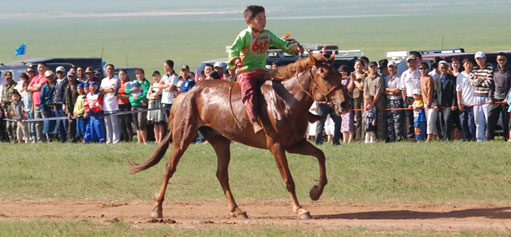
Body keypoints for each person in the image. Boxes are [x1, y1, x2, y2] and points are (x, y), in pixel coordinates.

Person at [228, 5, 302, 134]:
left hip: (263, 70)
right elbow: (234, 49)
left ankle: (304, 113)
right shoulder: (244, 35)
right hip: (247, 72)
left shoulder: (267, 34)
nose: (263, 22)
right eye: (259, 19)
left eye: (265, 18)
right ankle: (254, 121)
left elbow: (281, 43)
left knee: (285, 84)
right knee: (249, 93)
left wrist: (293, 48)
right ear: (249, 21)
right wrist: (236, 60)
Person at [470, 51, 494, 142]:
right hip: (476, 96)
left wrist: (478, 80)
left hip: (486, 96)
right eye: (477, 59)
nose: (479, 61)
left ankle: (488, 137)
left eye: (481, 58)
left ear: (485, 58)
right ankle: (480, 138)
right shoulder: (474, 69)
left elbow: (489, 83)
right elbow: (472, 83)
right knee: (478, 120)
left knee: (488, 119)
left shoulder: (490, 68)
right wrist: (482, 79)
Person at [488, 52, 510, 141]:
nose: (501, 61)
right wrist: (490, 97)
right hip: (495, 99)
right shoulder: (494, 71)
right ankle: (489, 139)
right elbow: (491, 85)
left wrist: (507, 97)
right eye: (499, 60)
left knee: (506, 121)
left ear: (506, 60)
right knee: (491, 119)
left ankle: (506, 138)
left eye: (503, 59)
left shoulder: (509, 71)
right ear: (497, 61)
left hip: (506, 100)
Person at [434, 61, 458, 141]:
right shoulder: (437, 79)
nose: (443, 69)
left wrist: (454, 104)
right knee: (441, 122)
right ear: (438, 69)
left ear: (448, 68)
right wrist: (436, 104)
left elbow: (454, 92)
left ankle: (448, 137)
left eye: (445, 68)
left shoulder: (452, 79)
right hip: (440, 105)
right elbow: (435, 93)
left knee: (447, 119)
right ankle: (444, 137)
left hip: (449, 104)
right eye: (441, 68)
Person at [126, 68, 150, 144]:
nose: (139, 76)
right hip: (133, 105)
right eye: (137, 74)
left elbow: (145, 93)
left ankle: (145, 140)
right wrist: (131, 91)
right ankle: (139, 140)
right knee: (136, 123)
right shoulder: (134, 82)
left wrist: (138, 98)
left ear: (143, 74)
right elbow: (126, 90)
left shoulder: (145, 83)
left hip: (141, 105)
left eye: (140, 74)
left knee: (141, 122)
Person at [400, 54, 421, 141]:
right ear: (407, 63)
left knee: (418, 118)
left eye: (413, 62)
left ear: (416, 62)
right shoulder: (404, 74)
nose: (411, 64)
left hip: (418, 98)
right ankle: (410, 137)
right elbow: (403, 89)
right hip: (409, 98)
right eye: (409, 62)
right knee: (409, 119)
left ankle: (419, 136)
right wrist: (405, 100)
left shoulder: (420, 73)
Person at [364, 61, 386, 141]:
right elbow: (365, 91)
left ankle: (380, 138)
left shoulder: (380, 78)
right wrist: (366, 104)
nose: (372, 68)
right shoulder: (367, 79)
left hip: (378, 101)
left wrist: (372, 103)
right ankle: (369, 138)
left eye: (374, 67)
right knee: (368, 121)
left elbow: (379, 92)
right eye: (371, 67)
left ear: (377, 67)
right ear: (368, 68)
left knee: (379, 120)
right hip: (369, 101)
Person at [456, 57, 476, 141]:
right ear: (463, 65)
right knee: (463, 121)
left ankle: (472, 137)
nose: (468, 65)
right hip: (464, 102)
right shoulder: (460, 75)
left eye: (469, 63)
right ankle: (465, 137)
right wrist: (459, 102)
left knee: (471, 122)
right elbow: (458, 90)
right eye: (466, 63)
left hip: (473, 102)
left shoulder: (475, 74)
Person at [100, 64, 121, 144]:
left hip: (114, 105)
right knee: (107, 124)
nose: (109, 71)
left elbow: (112, 90)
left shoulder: (116, 78)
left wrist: (106, 90)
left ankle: (116, 139)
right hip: (106, 105)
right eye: (108, 69)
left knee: (114, 124)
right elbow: (101, 92)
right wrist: (106, 90)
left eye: (111, 69)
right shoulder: (104, 80)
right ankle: (109, 139)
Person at [384, 60, 404, 142]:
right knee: (390, 120)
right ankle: (391, 138)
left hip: (397, 101)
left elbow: (398, 91)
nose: (391, 68)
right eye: (389, 67)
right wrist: (391, 91)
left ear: (396, 68)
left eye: (392, 67)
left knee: (397, 121)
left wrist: (389, 90)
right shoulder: (387, 78)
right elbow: (385, 91)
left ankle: (398, 138)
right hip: (389, 101)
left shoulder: (399, 77)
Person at [419, 62, 438, 142]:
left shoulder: (429, 78)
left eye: (424, 68)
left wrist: (429, 102)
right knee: (429, 120)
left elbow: (430, 91)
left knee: (430, 119)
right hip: (425, 102)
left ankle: (429, 136)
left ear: (427, 69)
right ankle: (434, 135)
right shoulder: (421, 78)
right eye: (420, 68)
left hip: (431, 102)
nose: (422, 70)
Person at [146, 71, 166, 144]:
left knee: (160, 122)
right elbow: (147, 96)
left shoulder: (161, 85)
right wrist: (152, 96)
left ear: (160, 76)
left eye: (157, 76)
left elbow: (157, 94)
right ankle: (156, 139)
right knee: (154, 123)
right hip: (152, 104)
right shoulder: (152, 85)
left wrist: (152, 95)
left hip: (159, 103)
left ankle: (161, 139)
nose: (155, 78)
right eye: (154, 76)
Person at [349, 59, 366, 140]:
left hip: (363, 98)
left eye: (360, 65)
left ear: (363, 66)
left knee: (363, 118)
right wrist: (352, 80)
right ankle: (357, 137)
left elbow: (361, 87)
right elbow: (349, 89)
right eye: (357, 65)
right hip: (355, 98)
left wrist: (355, 80)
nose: (358, 66)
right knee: (357, 118)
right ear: (354, 66)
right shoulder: (353, 76)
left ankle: (363, 136)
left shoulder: (364, 75)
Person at [40, 70, 58, 142]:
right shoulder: (44, 87)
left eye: (51, 76)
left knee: (57, 123)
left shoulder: (57, 84)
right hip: (47, 107)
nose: (49, 78)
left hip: (56, 107)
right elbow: (41, 99)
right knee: (48, 124)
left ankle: (57, 137)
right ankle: (49, 138)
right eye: (48, 77)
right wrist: (43, 110)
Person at [339, 65, 354, 143]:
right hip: (341, 102)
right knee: (342, 121)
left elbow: (349, 89)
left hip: (348, 101)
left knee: (349, 120)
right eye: (341, 71)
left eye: (344, 70)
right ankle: (344, 139)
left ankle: (350, 139)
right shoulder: (338, 80)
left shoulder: (349, 79)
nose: (342, 72)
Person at [117, 69, 134, 142]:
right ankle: (125, 138)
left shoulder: (129, 83)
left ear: (126, 75)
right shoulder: (118, 83)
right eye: (120, 74)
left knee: (128, 123)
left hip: (127, 104)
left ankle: (130, 138)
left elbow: (131, 95)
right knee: (122, 123)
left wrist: (123, 97)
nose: (121, 76)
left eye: (123, 74)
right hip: (120, 105)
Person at [2, 71, 17, 142]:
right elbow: (2, 98)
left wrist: (13, 108)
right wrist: (4, 110)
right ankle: (11, 139)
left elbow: (17, 96)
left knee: (14, 124)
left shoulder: (15, 85)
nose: (8, 80)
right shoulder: (4, 87)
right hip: (6, 107)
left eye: (9, 78)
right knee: (8, 126)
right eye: (7, 78)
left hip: (13, 106)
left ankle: (16, 138)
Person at [54, 66, 68, 142]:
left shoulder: (65, 81)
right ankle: (61, 138)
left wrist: (64, 104)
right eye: (57, 72)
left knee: (65, 123)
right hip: (57, 105)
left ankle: (67, 137)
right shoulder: (57, 82)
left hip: (62, 105)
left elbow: (65, 94)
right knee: (59, 123)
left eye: (60, 72)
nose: (59, 74)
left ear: (64, 73)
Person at [64, 71, 79, 142]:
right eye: (69, 77)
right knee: (71, 124)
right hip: (71, 109)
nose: (70, 79)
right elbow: (67, 101)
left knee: (79, 125)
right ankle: (71, 139)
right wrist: (68, 112)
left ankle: (80, 138)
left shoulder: (79, 85)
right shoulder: (67, 87)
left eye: (72, 77)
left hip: (79, 109)